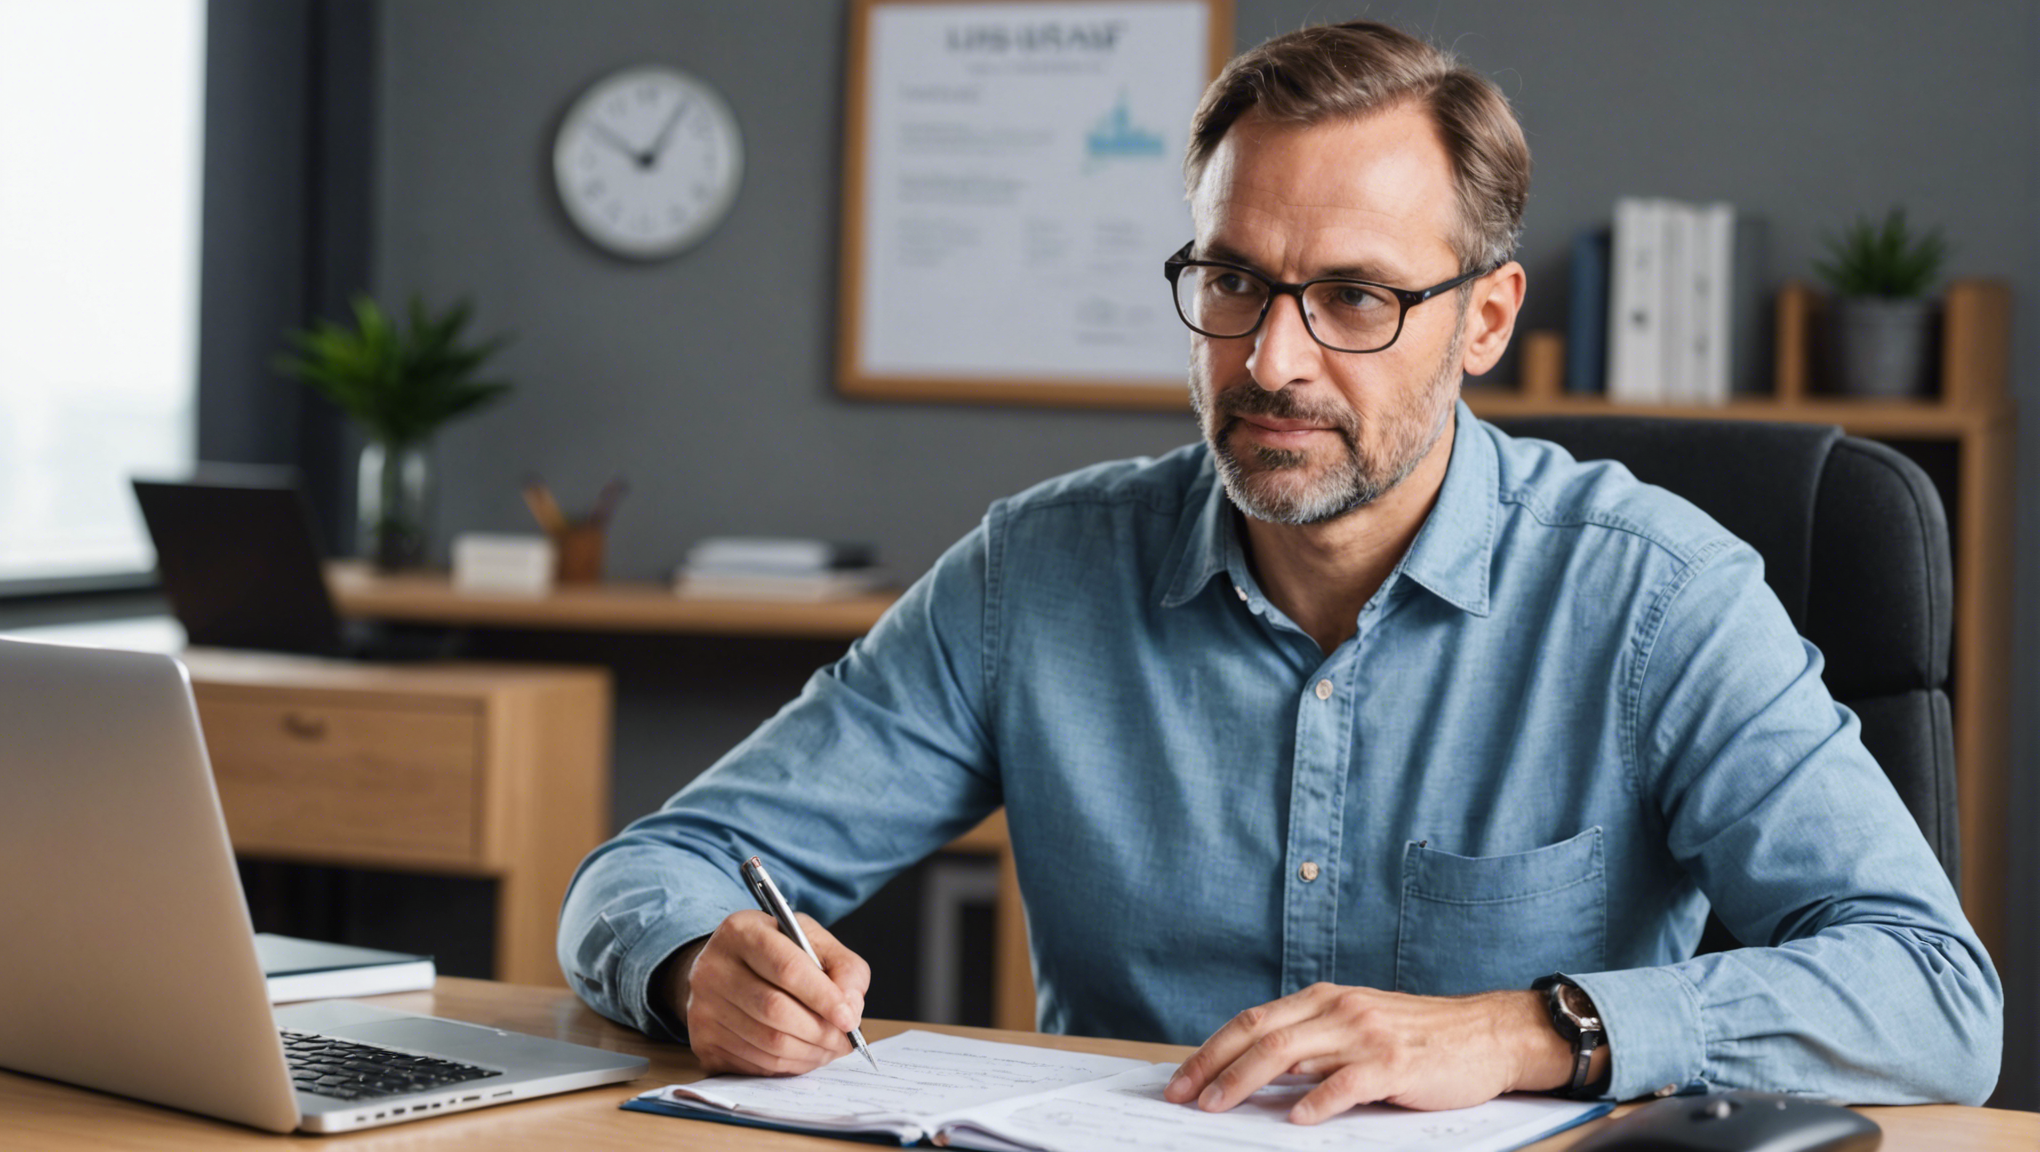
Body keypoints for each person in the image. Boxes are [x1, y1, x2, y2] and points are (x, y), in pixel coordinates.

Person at [559, 20, 2001, 1119]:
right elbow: (650, 871)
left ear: (1484, 320)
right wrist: (701, 968)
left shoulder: (1655, 596)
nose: (1272, 360)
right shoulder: (1037, 576)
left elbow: (1937, 1000)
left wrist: (1522, 1029)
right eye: (1235, 279)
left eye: (1358, 297)